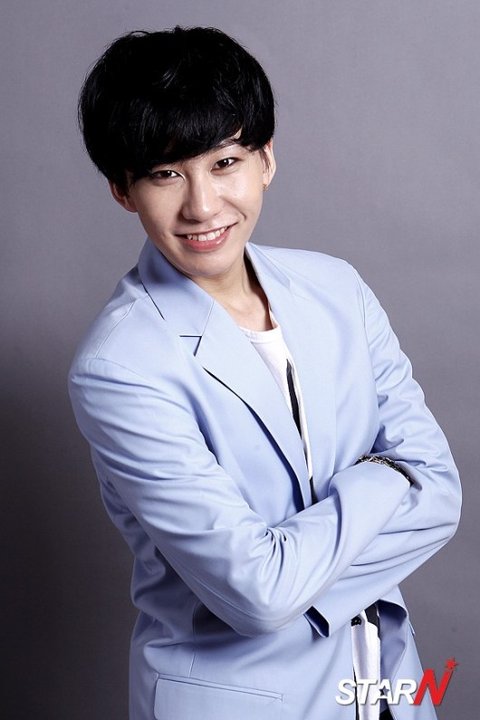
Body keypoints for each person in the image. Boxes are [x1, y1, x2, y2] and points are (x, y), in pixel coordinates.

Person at [68, 27, 461, 720]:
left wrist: (289, 568)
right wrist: (386, 473)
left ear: (265, 159)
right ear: (122, 190)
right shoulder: (119, 367)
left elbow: (442, 496)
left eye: (225, 162)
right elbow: (256, 595)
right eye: (165, 174)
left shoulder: (337, 289)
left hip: (386, 688)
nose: (202, 205)